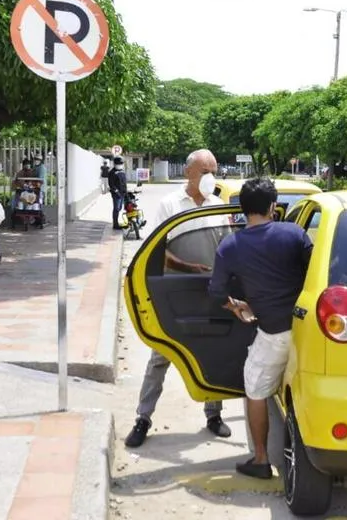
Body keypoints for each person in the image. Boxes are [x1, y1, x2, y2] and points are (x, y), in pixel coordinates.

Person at [125, 148, 232, 448]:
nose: (210, 177)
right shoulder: (170, 204)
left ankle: (214, 414)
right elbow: (157, 248)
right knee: (161, 355)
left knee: (212, 352)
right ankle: (143, 419)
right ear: (188, 172)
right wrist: (187, 267)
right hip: (175, 292)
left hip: (209, 291)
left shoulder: (217, 206)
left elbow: (225, 247)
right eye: (204, 171)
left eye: (213, 171)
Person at [208, 178, 313, 479]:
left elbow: (216, 293)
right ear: (272, 206)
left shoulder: (231, 246)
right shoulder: (295, 234)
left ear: (242, 209)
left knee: (255, 389)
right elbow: (315, 273)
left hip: (274, 332)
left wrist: (238, 307)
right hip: (311, 329)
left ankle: (261, 459)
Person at [108, 156, 127, 230]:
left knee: (119, 208)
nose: (120, 165)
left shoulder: (122, 171)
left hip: (123, 193)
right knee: (116, 208)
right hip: (116, 194)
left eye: (121, 163)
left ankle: (117, 222)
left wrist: (126, 191)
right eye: (119, 163)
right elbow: (111, 185)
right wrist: (117, 192)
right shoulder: (112, 172)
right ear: (115, 164)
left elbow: (124, 182)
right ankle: (115, 224)